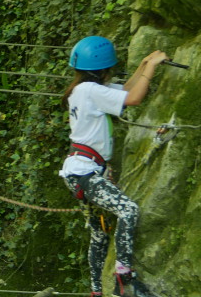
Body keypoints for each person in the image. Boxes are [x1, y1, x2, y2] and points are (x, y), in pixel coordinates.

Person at [61, 36, 165, 297]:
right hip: (85, 172)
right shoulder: (90, 91)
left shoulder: (84, 90)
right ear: (104, 67)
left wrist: (143, 65)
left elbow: (125, 91)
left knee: (98, 233)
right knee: (128, 210)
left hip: (81, 171)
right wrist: (151, 69)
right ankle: (124, 275)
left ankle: (97, 291)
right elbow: (135, 98)